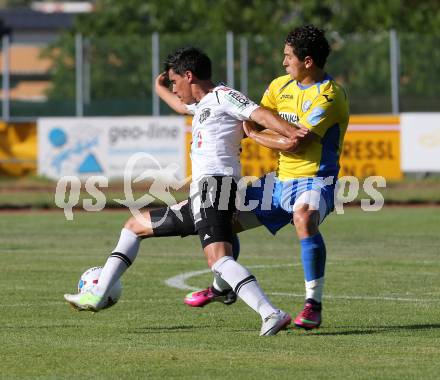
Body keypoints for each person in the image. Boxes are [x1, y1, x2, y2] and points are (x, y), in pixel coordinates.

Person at [64, 46, 310, 336]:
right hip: (203, 193)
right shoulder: (203, 104)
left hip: (215, 187)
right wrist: (158, 88)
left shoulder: (223, 96)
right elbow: (181, 106)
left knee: (219, 259)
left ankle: (271, 313)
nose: (174, 88)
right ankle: (97, 294)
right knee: (134, 226)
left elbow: (260, 113)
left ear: (189, 75)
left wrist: (289, 132)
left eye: (174, 81)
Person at [184, 25, 349, 330]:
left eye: (289, 57)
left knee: (304, 217)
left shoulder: (329, 96)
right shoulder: (278, 87)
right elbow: (254, 124)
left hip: (316, 180)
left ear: (308, 61)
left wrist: (261, 135)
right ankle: (222, 288)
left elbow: (295, 142)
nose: (284, 62)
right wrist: (267, 135)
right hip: (278, 180)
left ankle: (313, 304)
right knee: (225, 220)